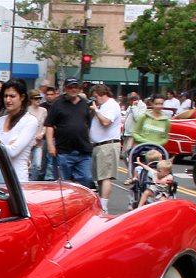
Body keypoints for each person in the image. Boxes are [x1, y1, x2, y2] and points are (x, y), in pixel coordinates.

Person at [44, 77, 93, 187]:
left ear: (79, 89)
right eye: (70, 87)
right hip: (63, 151)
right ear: (65, 88)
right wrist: (50, 145)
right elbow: (49, 125)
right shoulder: (57, 104)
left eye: (75, 87)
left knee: (86, 179)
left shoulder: (84, 103)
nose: (73, 89)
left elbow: (88, 124)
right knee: (63, 184)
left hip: (83, 150)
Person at [0, 79, 38, 182]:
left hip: (18, 180)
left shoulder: (30, 121)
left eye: (12, 96)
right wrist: (7, 146)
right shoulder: (0, 121)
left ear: (22, 97)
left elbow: (13, 152)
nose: (8, 100)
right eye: (5, 96)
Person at [88, 84, 122, 212]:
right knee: (100, 178)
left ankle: (104, 206)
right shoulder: (104, 106)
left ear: (102, 94)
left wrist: (96, 110)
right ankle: (102, 203)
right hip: (100, 145)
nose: (95, 100)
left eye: (96, 97)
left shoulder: (111, 105)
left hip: (107, 145)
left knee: (106, 177)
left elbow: (106, 122)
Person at [27, 91, 48, 180]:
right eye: (36, 98)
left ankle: (32, 181)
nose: (38, 100)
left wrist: (42, 133)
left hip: (39, 142)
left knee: (38, 164)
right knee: (25, 164)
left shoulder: (43, 111)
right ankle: (24, 181)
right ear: (31, 99)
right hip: (27, 142)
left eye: (39, 98)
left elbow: (46, 124)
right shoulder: (26, 110)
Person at [122, 92, 145, 161]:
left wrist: (134, 107)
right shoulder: (130, 106)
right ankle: (130, 169)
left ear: (134, 99)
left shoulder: (142, 106)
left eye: (129, 100)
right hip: (127, 133)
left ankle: (133, 169)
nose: (128, 102)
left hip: (133, 134)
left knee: (130, 154)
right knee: (124, 155)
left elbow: (138, 118)